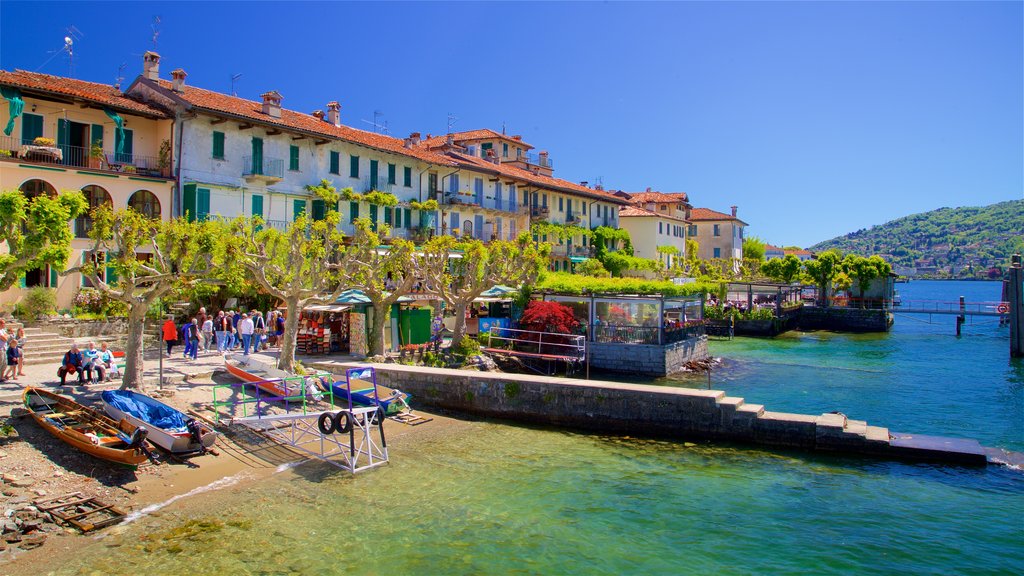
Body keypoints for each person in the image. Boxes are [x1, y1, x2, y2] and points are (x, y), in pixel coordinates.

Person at [0, 319, 9, 383]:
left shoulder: (3, 330)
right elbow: (5, 338)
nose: (4, 324)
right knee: (0, 363)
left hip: (4, 348)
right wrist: (6, 336)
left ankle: (1, 377)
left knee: (4, 363)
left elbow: (7, 337)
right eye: (3, 323)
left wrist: (6, 336)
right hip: (0, 349)